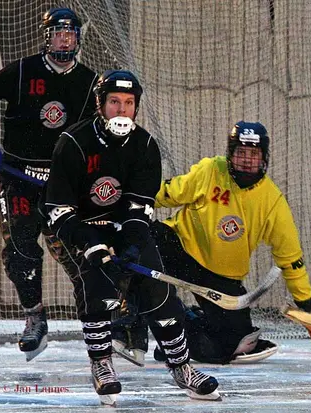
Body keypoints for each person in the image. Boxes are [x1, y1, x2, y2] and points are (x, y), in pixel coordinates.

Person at [44, 69, 220, 404]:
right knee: (97, 287)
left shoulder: (146, 146)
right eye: (114, 102)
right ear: (100, 104)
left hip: (123, 227)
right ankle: (101, 364)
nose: (121, 110)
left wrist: (134, 244)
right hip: (80, 227)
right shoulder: (72, 143)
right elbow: (59, 212)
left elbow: (138, 210)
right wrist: (92, 244)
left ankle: (181, 367)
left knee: (157, 289)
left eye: (128, 103)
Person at [0, 7, 98, 361]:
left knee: (78, 254)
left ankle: (98, 324)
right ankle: (35, 318)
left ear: (78, 39)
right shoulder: (22, 70)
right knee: (21, 251)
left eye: (70, 34)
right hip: (18, 179)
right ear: (46, 36)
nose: (63, 39)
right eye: (57, 33)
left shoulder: (90, 82)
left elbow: (100, 135)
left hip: (63, 186)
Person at [128, 121, 311, 365]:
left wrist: (308, 308)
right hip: (179, 248)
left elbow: (291, 258)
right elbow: (168, 193)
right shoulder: (211, 170)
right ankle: (128, 327)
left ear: (264, 157)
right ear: (230, 154)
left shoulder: (273, 202)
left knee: (227, 347)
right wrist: (129, 198)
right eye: (241, 152)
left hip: (222, 277)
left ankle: (181, 330)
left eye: (254, 153)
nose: (247, 160)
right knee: (136, 248)